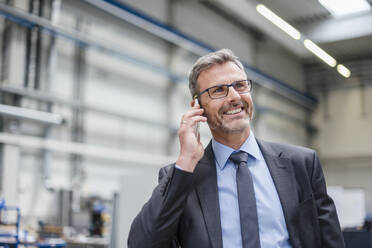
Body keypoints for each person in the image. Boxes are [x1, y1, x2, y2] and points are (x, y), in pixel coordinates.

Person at [127, 49, 345, 248]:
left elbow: (330, 241)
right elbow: (142, 244)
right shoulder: (184, 176)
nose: (234, 97)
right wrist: (185, 161)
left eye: (240, 85)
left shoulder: (302, 164)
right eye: (219, 90)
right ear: (198, 107)